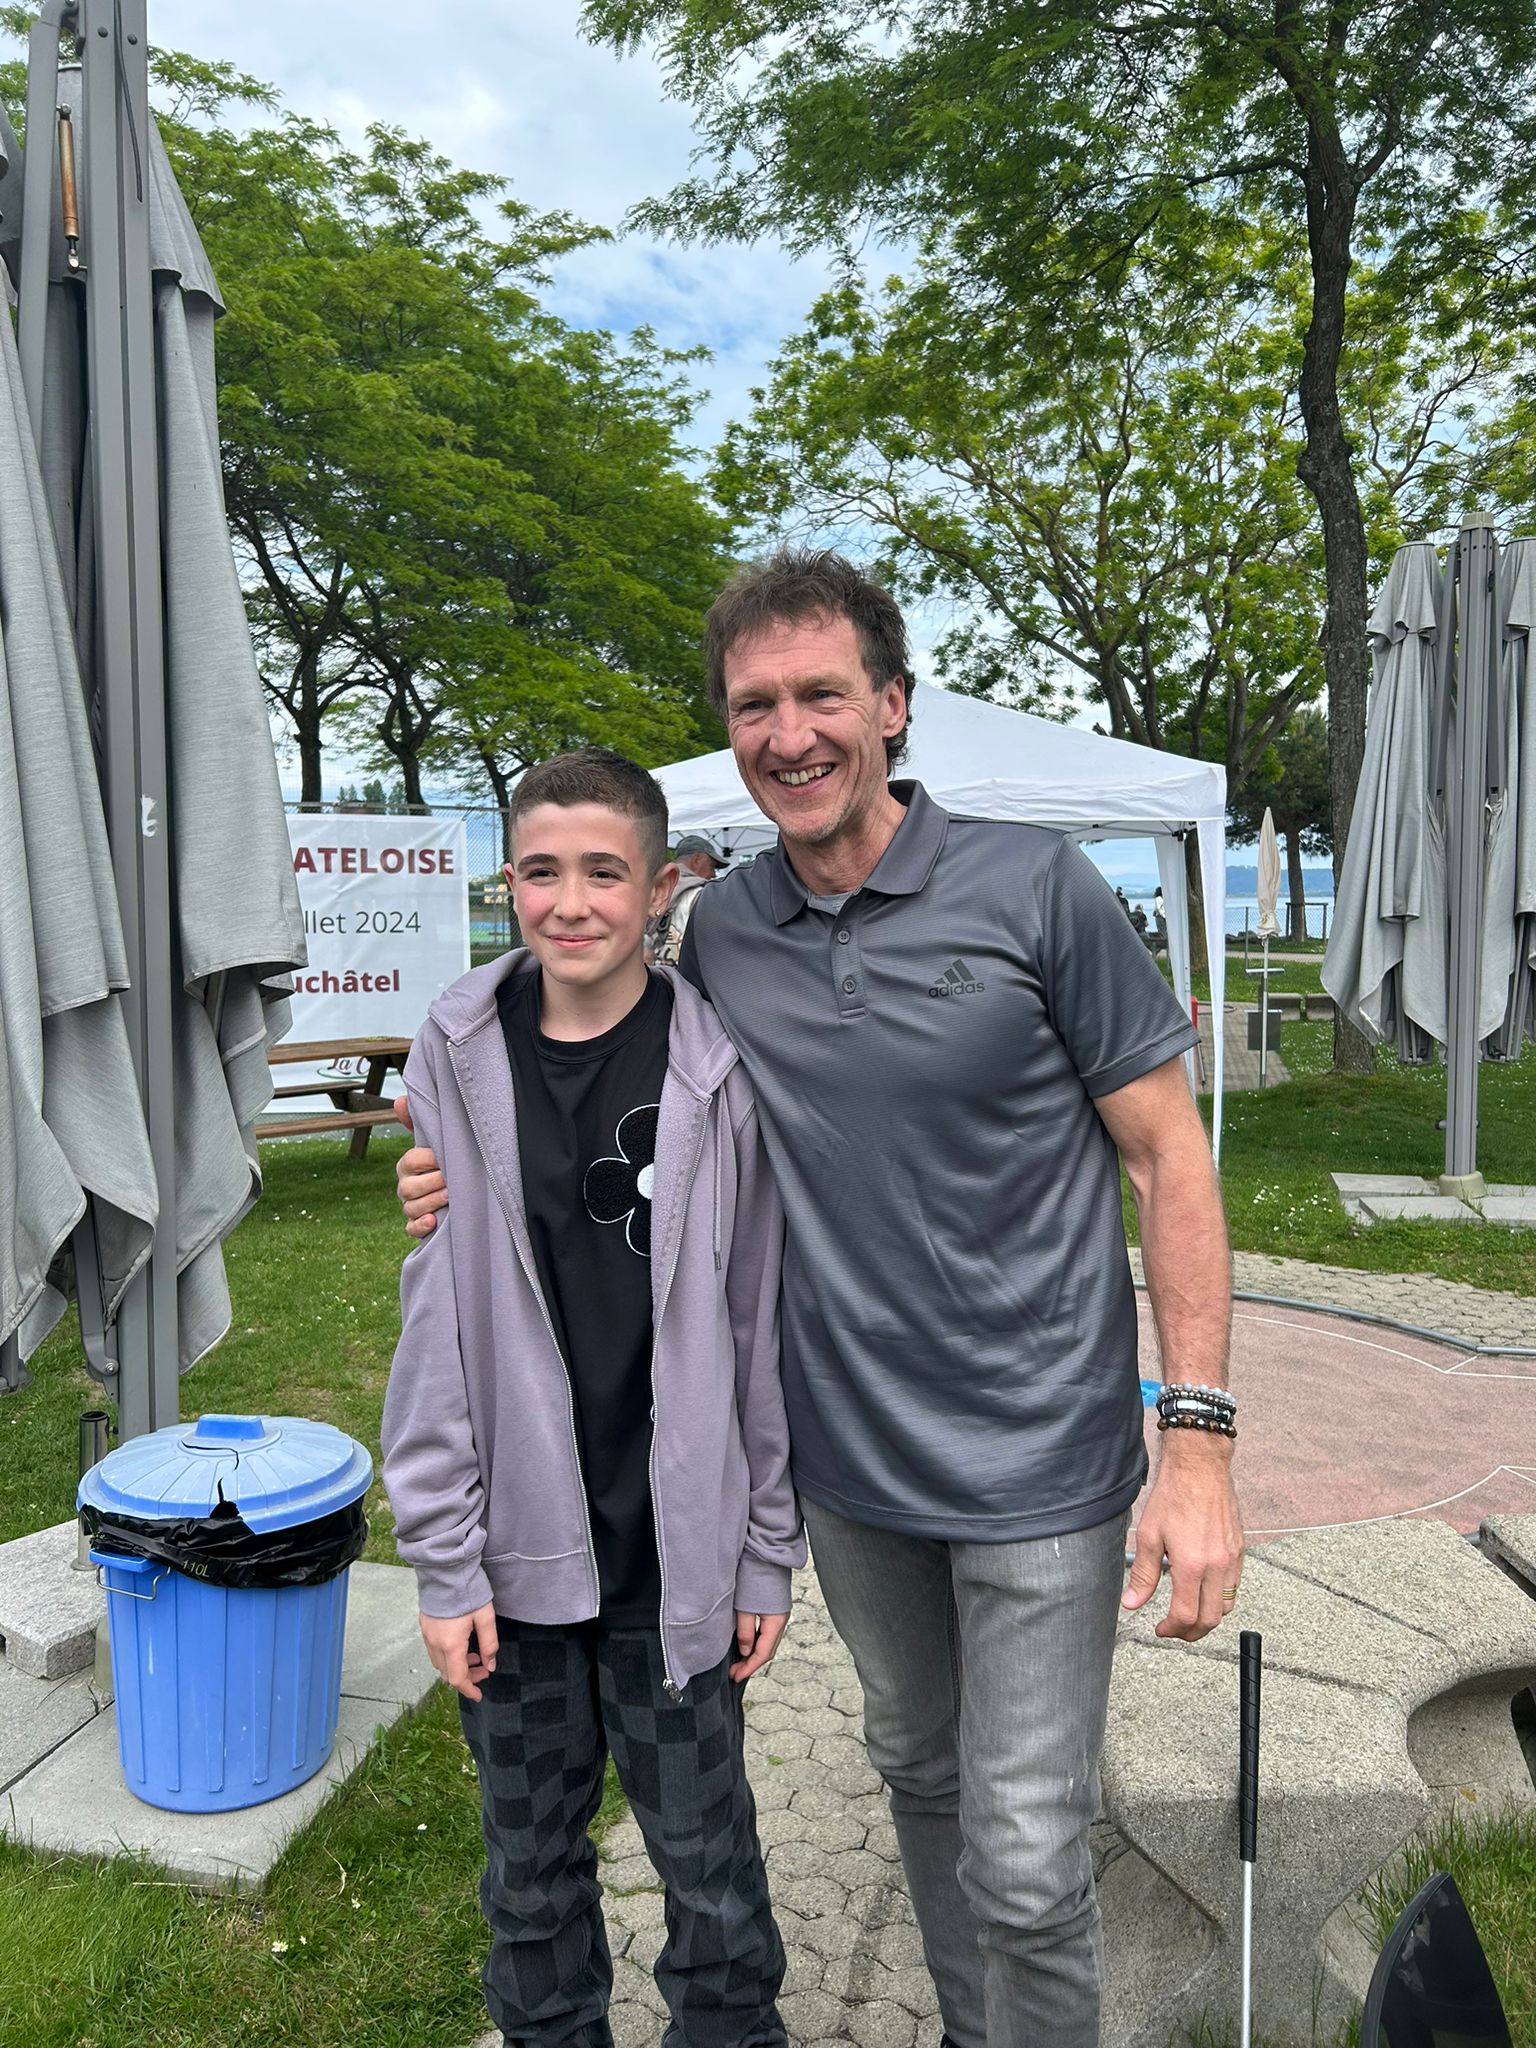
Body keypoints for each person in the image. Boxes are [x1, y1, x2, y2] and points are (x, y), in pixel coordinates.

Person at [396, 552, 1242, 2048]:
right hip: (846, 1471)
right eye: (755, 705)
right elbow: (617, 1092)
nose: (789, 735)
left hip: (1041, 1458)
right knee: (918, 1774)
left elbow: (1170, 1153)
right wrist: (452, 1174)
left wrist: (1199, 1441)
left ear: (894, 705)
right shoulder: (724, 935)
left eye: (822, 695)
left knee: (1027, 1860)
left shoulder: (1037, 890)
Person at [381, 746, 804, 2048]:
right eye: (541, 871)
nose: (571, 902)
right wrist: (443, 1563)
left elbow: (757, 1322)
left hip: (673, 1565)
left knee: (712, 1877)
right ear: (507, 881)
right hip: (516, 1568)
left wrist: (764, 1550)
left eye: (605, 872)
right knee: (531, 1882)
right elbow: (437, 1325)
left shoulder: (717, 1068)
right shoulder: (455, 1047)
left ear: (661, 885)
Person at [650, 831, 727, 965]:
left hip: (652, 971)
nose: (713, 874)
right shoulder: (702, 895)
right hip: (686, 973)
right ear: (696, 860)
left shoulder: (655, 890)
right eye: (712, 867)